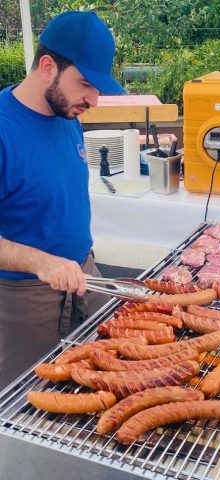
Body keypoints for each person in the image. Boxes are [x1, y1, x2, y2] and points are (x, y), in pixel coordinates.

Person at [0, 11, 126, 390]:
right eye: (85, 84)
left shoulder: (67, 114)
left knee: (105, 386)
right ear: (47, 66)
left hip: (84, 280)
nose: (94, 101)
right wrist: (40, 260)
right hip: (23, 302)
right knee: (26, 411)